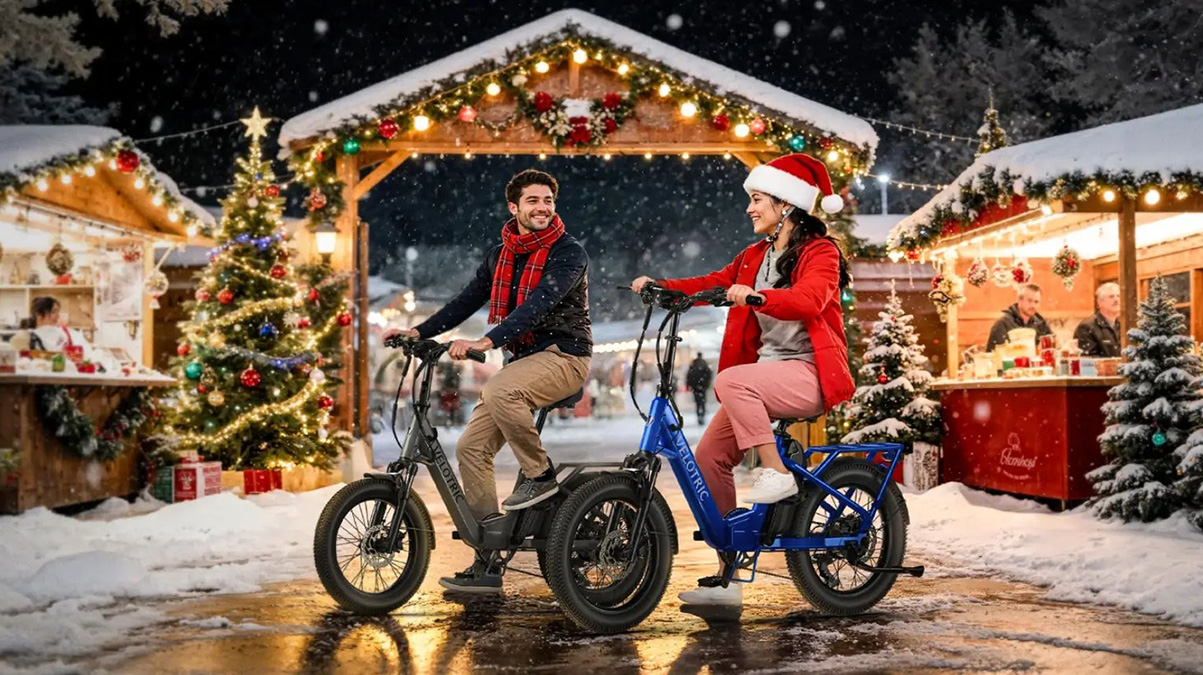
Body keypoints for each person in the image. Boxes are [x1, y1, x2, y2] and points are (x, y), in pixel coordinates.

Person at [630, 153, 856, 606]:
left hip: (809, 372)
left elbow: (809, 300)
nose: (750, 208)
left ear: (786, 204)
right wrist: (664, 287)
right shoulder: (755, 255)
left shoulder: (820, 252)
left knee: (731, 381)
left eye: (757, 199)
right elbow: (713, 282)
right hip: (768, 374)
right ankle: (728, 577)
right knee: (709, 457)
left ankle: (776, 472)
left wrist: (758, 297)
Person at [387, 169, 591, 593]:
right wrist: (419, 332)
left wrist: (487, 339)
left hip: (564, 356)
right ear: (513, 207)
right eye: (533, 200)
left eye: (548, 200)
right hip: (523, 361)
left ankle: (540, 476)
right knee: (471, 449)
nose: (542, 208)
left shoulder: (568, 252)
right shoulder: (501, 255)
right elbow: (466, 300)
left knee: (500, 388)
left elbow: (539, 304)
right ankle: (488, 561)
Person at [984, 283, 1053, 352]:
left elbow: (1053, 346)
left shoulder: (1041, 323)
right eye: (1029, 301)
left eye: (1036, 302)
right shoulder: (1002, 324)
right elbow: (992, 353)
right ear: (1020, 300)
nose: (1033, 306)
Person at [1073, 282, 1121, 357]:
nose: (1116, 299)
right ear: (1100, 302)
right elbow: (1087, 359)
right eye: (1111, 297)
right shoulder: (1086, 327)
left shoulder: (1123, 326)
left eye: (1118, 296)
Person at [685, 353, 713, 424]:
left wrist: (689, 385)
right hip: (703, 386)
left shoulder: (694, 364)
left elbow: (689, 375)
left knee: (697, 402)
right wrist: (707, 384)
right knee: (702, 402)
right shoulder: (704, 364)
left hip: (695, 386)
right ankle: (702, 414)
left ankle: (699, 415)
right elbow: (709, 374)